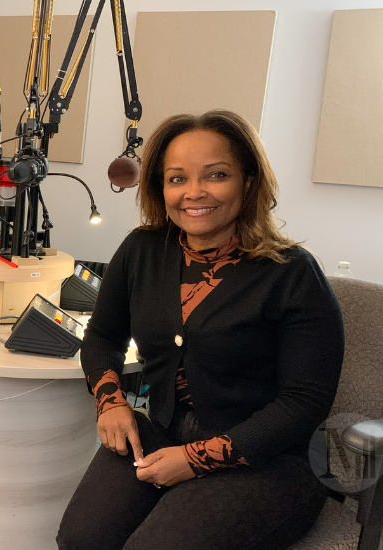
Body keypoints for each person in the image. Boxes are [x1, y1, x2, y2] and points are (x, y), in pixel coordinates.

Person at [56, 110, 344, 550]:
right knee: (81, 539)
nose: (194, 192)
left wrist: (195, 460)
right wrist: (110, 401)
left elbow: (304, 403)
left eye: (216, 175)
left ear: (248, 181)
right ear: (160, 187)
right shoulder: (142, 249)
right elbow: (102, 337)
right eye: (177, 179)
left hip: (265, 460)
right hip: (161, 434)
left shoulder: (291, 273)